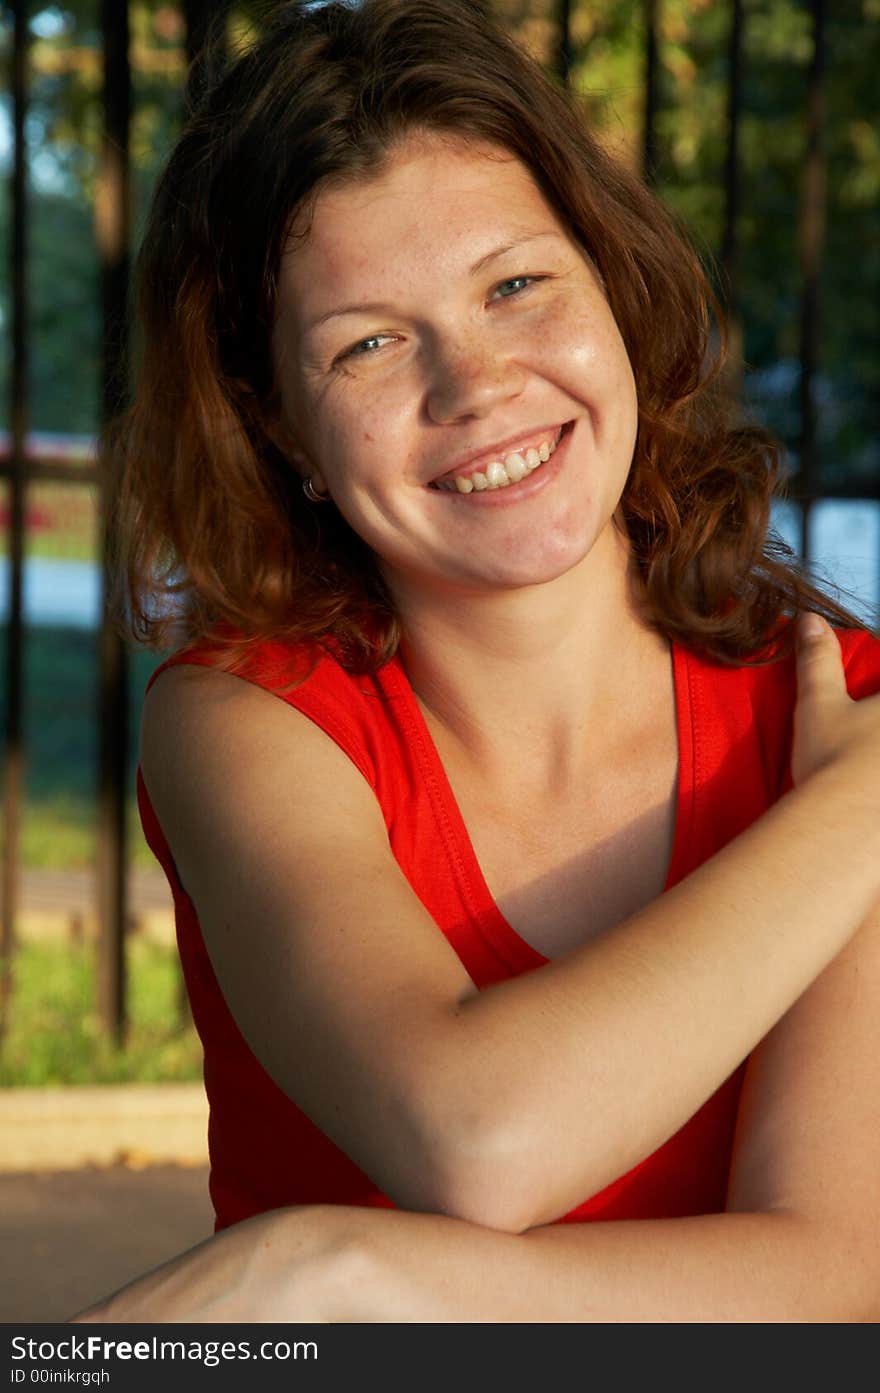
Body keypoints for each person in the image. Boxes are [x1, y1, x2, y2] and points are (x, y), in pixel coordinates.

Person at [76, 0, 880, 1322]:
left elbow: (829, 1276)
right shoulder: (243, 719)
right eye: (369, 343)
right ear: (276, 423)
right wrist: (863, 808)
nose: (478, 381)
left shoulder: (837, 714)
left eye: (516, 284)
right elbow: (472, 1136)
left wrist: (339, 1269)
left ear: (611, 283)